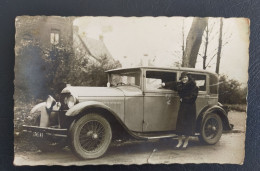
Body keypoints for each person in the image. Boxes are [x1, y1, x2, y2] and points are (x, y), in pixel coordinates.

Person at [162, 72, 198, 150]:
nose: (184, 79)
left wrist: (183, 99)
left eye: (185, 77)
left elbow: (193, 97)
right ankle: (180, 142)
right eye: (182, 78)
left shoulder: (193, 86)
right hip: (183, 106)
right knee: (180, 123)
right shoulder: (180, 85)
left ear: (188, 78)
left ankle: (186, 142)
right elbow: (173, 84)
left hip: (190, 107)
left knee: (188, 124)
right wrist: (164, 84)